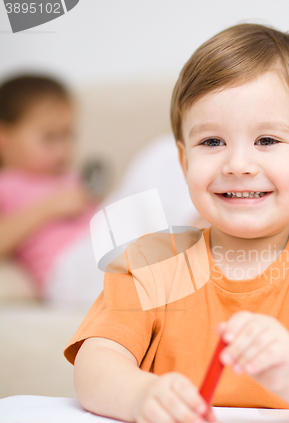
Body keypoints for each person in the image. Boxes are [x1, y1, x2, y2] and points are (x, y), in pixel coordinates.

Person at [64, 23, 289, 423]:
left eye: (266, 140)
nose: (238, 165)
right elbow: (96, 362)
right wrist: (140, 395)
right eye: (212, 142)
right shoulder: (153, 261)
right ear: (184, 159)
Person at [0, 75, 203, 306]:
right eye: (49, 138)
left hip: (98, 242)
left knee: (166, 150)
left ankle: (200, 234)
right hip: (67, 271)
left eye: (68, 135)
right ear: (3, 138)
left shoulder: (67, 177)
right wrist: (50, 206)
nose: (62, 149)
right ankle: (198, 244)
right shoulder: (6, 183)